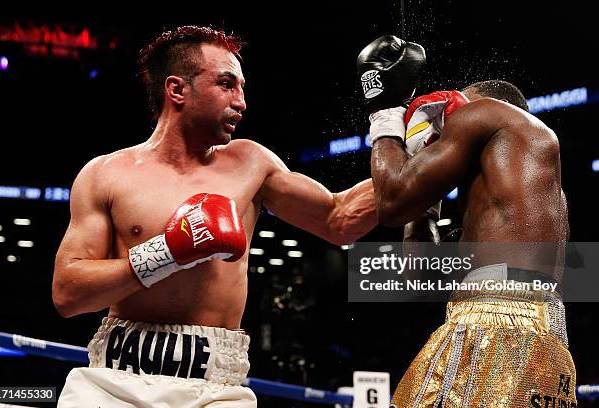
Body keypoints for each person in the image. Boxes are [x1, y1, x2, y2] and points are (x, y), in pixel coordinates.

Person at [53, 25, 377, 407]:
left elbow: (339, 219)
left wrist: (422, 147)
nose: (241, 102)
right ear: (177, 90)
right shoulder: (106, 173)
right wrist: (167, 252)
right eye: (226, 84)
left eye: (242, 87)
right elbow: (68, 293)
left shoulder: (250, 164)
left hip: (214, 389)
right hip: (115, 381)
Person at [357, 35, 576, 407]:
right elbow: (418, 275)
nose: (449, 127)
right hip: (544, 329)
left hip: (494, 323)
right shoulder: (528, 199)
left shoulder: (487, 112)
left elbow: (390, 203)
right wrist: (426, 200)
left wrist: (384, 113)